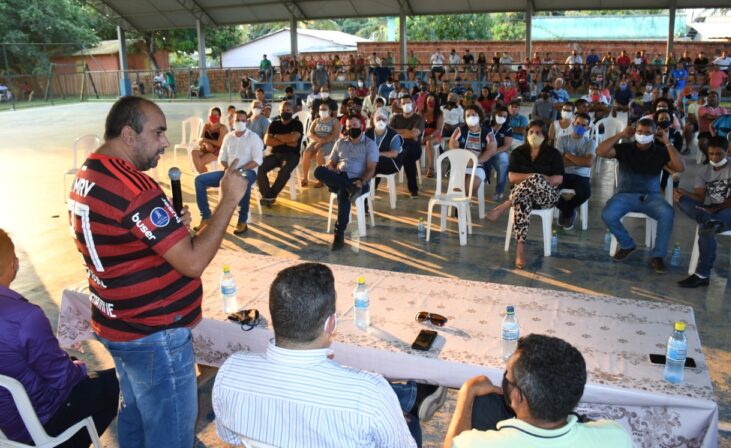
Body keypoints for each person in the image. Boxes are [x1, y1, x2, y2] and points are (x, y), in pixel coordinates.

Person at [68, 96, 249, 448]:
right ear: (128, 135)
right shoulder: (133, 187)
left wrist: (171, 233)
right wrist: (228, 200)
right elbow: (193, 262)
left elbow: (120, 238)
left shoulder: (90, 173)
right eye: (159, 132)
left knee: (135, 416)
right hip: (153, 333)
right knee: (171, 435)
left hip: (119, 324)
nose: (166, 142)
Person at [213, 263, 447, 447]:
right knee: (409, 424)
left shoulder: (231, 370)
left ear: (275, 317)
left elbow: (230, 437)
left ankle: (408, 397)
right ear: (330, 323)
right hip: (373, 402)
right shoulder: (368, 392)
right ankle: (410, 402)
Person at [0, 229, 119, 447]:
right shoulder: (25, 317)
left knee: (66, 359)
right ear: (14, 264)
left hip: (7, 422)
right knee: (123, 382)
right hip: (40, 421)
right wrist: (80, 367)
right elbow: (64, 379)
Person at [443, 334, 632, 448]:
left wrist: (466, 393)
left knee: (484, 404)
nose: (504, 376)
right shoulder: (615, 436)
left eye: (507, 374)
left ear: (517, 396)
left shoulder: (476, 444)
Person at [597, 118, 685, 273]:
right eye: (639, 132)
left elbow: (680, 167)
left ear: (654, 134)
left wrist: (667, 142)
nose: (643, 135)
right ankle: (627, 244)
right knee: (608, 214)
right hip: (625, 194)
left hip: (651, 196)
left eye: (648, 133)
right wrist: (621, 134)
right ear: (634, 132)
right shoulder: (625, 148)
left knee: (667, 213)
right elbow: (600, 151)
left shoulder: (660, 152)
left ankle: (658, 255)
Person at [674, 136, 731, 288]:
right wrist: (684, 193)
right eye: (711, 154)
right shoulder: (704, 171)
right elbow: (699, 197)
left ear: (727, 152)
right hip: (713, 211)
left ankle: (702, 274)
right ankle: (708, 220)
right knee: (682, 201)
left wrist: (715, 208)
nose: (715, 158)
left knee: (708, 226)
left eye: (719, 154)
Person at [486, 121, 564, 269]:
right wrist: (539, 177)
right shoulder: (518, 152)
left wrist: (540, 179)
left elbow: (558, 179)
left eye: (538, 132)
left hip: (546, 196)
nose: (534, 135)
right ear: (526, 134)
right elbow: (512, 178)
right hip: (523, 195)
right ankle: (520, 248)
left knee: (535, 179)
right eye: (531, 132)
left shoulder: (553, 154)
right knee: (524, 198)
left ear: (545, 135)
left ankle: (505, 205)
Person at [194, 110, 264, 236]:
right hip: (228, 172)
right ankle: (206, 217)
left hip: (247, 172)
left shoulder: (253, 138)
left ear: (247, 122)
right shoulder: (228, 137)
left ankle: (242, 220)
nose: (240, 123)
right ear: (232, 121)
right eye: (237, 120)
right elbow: (222, 158)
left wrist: (239, 170)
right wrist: (227, 169)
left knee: (243, 180)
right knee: (199, 180)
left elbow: (257, 160)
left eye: (243, 120)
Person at [314, 115, 378, 250]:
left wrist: (362, 181)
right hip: (340, 176)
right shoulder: (340, 142)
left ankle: (339, 233)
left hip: (358, 180)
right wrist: (330, 166)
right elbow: (332, 162)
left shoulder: (369, 144)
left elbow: (372, 168)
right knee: (319, 171)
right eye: (349, 126)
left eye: (354, 125)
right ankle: (350, 188)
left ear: (362, 126)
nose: (351, 128)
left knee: (343, 193)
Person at [257, 101, 304, 206]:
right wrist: (287, 140)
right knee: (259, 167)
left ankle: (269, 196)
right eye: (283, 110)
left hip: (291, 155)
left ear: (292, 111)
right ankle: (268, 195)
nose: (285, 112)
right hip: (275, 154)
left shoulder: (297, 124)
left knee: (285, 170)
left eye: (288, 110)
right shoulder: (274, 124)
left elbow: (294, 138)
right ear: (279, 111)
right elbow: (267, 141)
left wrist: (277, 136)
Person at [555, 112, 595, 230]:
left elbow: (588, 163)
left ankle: (566, 211)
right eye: (578, 123)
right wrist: (580, 161)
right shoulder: (562, 139)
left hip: (581, 176)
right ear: (573, 123)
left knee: (585, 193)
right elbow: (559, 162)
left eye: (583, 125)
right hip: (563, 173)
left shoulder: (590, 142)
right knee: (550, 191)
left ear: (588, 128)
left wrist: (567, 155)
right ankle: (569, 211)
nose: (580, 127)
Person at [449, 105, 497, 196]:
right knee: (457, 187)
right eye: (468, 115)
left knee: (470, 186)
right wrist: (463, 159)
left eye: (474, 115)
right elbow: (452, 145)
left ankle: (464, 204)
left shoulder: (488, 133)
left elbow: (491, 150)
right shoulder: (459, 130)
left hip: (480, 165)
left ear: (479, 116)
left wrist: (475, 161)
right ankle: (459, 207)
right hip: (462, 163)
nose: (471, 117)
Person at [390, 98, 425, 198]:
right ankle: (372, 188)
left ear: (413, 103)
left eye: (408, 102)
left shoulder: (418, 118)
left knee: (408, 155)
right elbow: (390, 132)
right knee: (380, 155)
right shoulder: (395, 118)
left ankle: (413, 189)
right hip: (397, 145)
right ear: (400, 105)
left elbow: (414, 133)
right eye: (403, 103)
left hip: (413, 147)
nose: (406, 105)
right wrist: (406, 131)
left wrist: (398, 132)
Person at [301, 101, 341, 187]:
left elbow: (334, 135)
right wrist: (319, 140)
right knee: (306, 153)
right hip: (316, 141)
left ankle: (321, 180)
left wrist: (322, 142)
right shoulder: (316, 121)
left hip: (329, 142)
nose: (322, 111)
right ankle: (305, 178)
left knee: (320, 154)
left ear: (330, 111)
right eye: (320, 109)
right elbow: (309, 133)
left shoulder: (335, 121)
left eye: (324, 109)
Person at [366, 108, 403, 186]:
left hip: (392, 163)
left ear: (387, 121)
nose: (381, 121)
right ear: (373, 120)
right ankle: (367, 186)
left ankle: (367, 188)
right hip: (373, 161)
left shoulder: (393, 135)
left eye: (384, 119)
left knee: (374, 162)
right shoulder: (368, 133)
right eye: (378, 118)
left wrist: (378, 154)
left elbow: (394, 154)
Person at [487, 105, 514, 201]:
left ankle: (499, 191)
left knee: (504, 163)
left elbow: (507, 145)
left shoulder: (507, 129)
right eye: (500, 115)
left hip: (499, 152)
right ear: (494, 115)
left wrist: (493, 152)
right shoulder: (487, 125)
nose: (502, 118)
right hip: (485, 151)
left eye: (504, 116)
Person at [191, 107, 227, 173]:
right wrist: (206, 144)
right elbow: (200, 139)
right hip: (206, 149)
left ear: (219, 116)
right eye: (211, 115)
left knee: (200, 161)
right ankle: (203, 176)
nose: (213, 117)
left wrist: (206, 140)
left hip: (218, 151)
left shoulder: (222, 128)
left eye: (215, 115)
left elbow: (219, 143)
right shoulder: (206, 125)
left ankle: (203, 177)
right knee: (194, 152)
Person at [422, 94, 444, 177]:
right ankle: (412, 166)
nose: (430, 102)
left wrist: (428, 137)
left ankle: (431, 167)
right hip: (423, 135)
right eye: (429, 100)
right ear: (426, 102)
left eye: (432, 100)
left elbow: (438, 129)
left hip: (435, 136)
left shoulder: (439, 113)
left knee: (429, 142)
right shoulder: (421, 112)